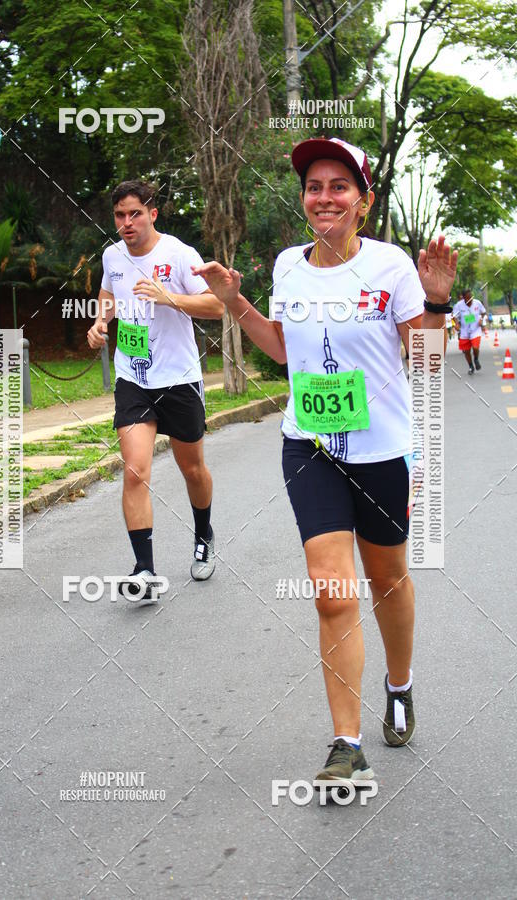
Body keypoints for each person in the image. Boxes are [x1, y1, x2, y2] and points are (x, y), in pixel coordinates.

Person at [193, 137, 457, 787]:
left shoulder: (392, 267)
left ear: (363, 201)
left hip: (382, 451)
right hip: (308, 445)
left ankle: (401, 684)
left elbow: (423, 359)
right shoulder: (289, 267)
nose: (325, 197)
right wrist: (236, 302)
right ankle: (347, 743)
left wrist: (438, 301)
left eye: (340, 185)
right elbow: (282, 352)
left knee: (388, 580)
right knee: (332, 591)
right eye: (314, 186)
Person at [87, 180, 224, 605]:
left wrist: (169, 297)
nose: (127, 223)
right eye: (119, 216)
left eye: (135, 214)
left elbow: (216, 306)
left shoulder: (179, 255)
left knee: (192, 469)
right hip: (134, 378)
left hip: (179, 378)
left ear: (153, 214)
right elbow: (109, 292)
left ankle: (204, 533)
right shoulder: (112, 255)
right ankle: (144, 570)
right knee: (135, 469)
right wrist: (100, 322)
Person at [452, 289, 486, 374]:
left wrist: (481, 320)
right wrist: (456, 324)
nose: (470, 299)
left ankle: (476, 359)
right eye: (467, 298)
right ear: (463, 298)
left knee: (475, 347)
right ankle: (471, 366)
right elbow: (454, 316)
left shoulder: (477, 303)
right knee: (466, 351)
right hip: (464, 331)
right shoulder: (459, 305)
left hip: (476, 329)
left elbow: (483, 312)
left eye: (471, 297)